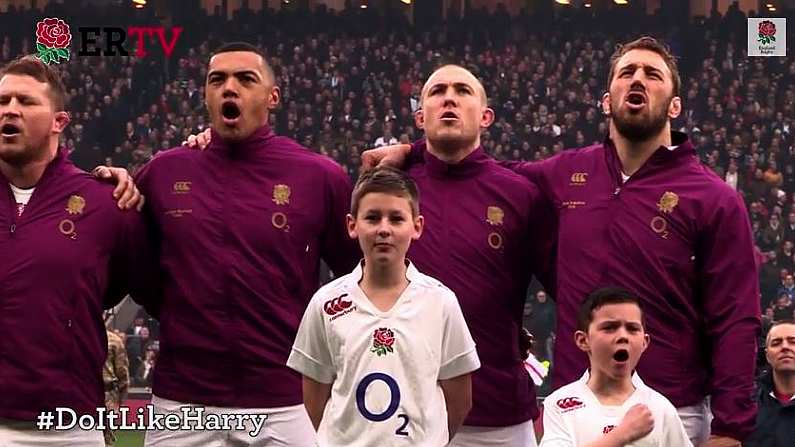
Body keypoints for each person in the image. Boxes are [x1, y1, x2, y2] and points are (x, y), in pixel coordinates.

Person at [363, 37, 760, 446]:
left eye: (652, 75)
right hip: (576, 407)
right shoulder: (567, 173)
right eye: (627, 73)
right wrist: (413, 150)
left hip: (670, 408)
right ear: (607, 101)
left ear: (674, 107)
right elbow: (481, 171)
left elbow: (736, 318)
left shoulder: (714, 198)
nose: (637, 80)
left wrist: (730, 428)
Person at [187, 63, 552, 446]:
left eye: (462, 91)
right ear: (419, 116)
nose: (449, 97)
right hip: (393, 419)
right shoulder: (388, 191)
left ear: (486, 116)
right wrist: (209, 144)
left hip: (498, 416)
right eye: (437, 90)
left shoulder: (520, 194)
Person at [133, 42, 360, 446]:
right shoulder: (163, 173)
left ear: (272, 97)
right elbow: (136, 268)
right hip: (183, 402)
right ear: (205, 95)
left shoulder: (319, 177)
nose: (229, 88)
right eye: (217, 80)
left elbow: (356, 278)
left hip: (285, 401)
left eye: (244, 78)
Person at [0, 55, 153, 446]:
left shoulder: (104, 203)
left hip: (67, 429)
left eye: (26, 101)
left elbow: (116, 287)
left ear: (59, 121)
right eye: (2, 102)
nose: (10, 110)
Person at [287, 166, 480, 445]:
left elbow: (460, 400)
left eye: (396, 218)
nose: (384, 229)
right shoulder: (326, 303)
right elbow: (314, 400)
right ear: (352, 226)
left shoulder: (441, 302)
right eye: (373, 218)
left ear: (417, 226)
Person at [540, 287, 692, 446]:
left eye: (632, 329)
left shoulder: (660, 409)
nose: (622, 336)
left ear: (644, 342)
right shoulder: (559, 403)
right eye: (609, 328)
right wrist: (622, 434)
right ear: (583, 340)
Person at [744, 320, 795, 447]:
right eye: (776, 343)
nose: (785, 347)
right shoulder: (746, 405)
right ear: (767, 355)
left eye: (793, 341)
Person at [103, 320, 130, 447]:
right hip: (106, 394)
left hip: (106, 394)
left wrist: (119, 402)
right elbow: (123, 376)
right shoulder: (114, 340)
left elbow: (123, 374)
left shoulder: (114, 340)